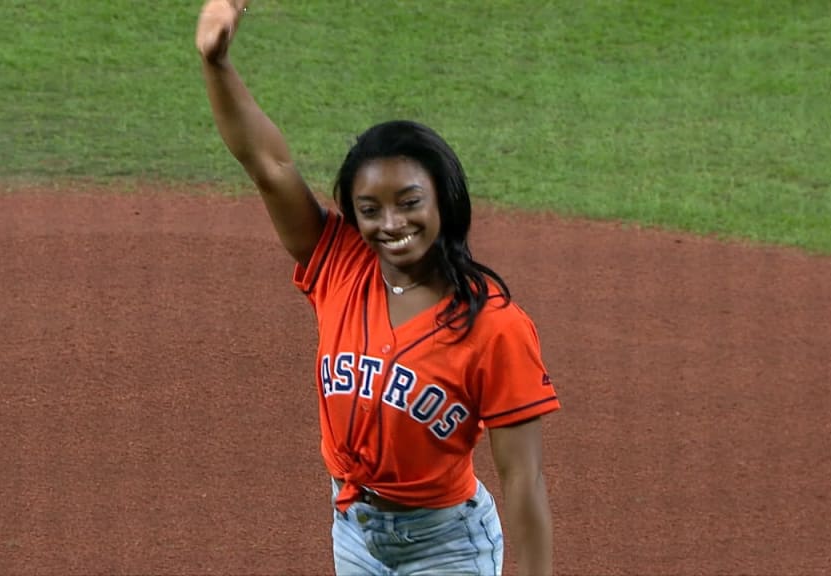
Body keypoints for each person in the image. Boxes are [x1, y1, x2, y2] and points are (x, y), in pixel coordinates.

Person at [195, 1, 561, 574]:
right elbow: (269, 165)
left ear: (444, 199)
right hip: (356, 538)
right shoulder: (339, 264)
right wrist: (215, 61)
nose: (390, 224)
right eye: (370, 209)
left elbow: (524, 478)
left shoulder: (494, 326)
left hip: (448, 548)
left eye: (409, 203)